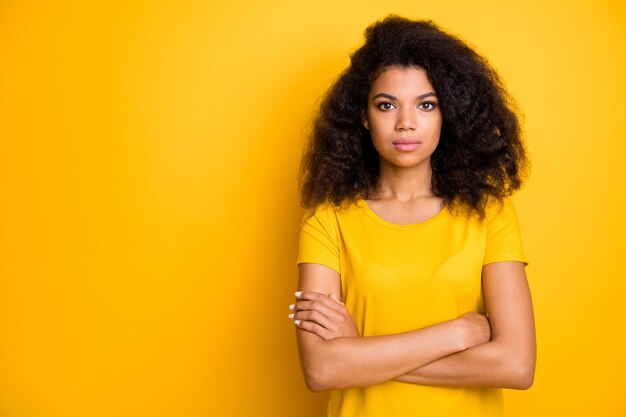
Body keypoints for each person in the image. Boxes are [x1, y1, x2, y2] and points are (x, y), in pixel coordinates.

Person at [289, 15, 536, 417]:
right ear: (364, 117)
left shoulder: (490, 213)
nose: (405, 122)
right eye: (387, 105)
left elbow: (516, 365)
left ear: (448, 114)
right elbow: (321, 369)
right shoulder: (328, 218)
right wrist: (457, 333)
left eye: (426, 104)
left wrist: (361, 356)